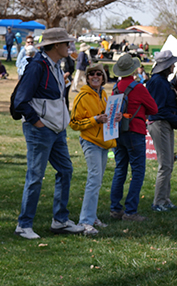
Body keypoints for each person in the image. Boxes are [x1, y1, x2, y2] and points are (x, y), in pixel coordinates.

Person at [13, 28, 85, 239]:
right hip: (42, 130)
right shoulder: (37, 66)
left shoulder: (55, 66)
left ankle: (60, 220)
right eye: (66, 43)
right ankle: (24, 225)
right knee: (35, 176)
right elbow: (20, 101)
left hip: (56, 130)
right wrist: (38, 123)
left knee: (66, 170)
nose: (69, 47)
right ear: (56, 45)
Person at [69, 63, 119, 236]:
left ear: (103, 77)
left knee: (97, 181)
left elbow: (106, 116)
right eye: (92, 74)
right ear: (87, 78)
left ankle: (92, 216)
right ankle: (85, 221)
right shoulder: (82, 96)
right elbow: (74, 123)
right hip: (90, 141)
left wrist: (115, 117)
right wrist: (95, 120)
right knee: (94, 180)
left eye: (99, 74)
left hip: (104, 142)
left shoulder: (103, 94)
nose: (95, 76)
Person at [110, 54, 158, 222]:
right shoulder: (138, 87)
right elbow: (154, 109)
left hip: (118, 132)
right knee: (137, 171)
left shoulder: (116, 87)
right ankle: (130, 211)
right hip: (135, 131)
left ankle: (115, 208)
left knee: (120, 169)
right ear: (133, 69)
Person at [146, 50, 177, 212]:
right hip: (160, 124)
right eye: (172, 64)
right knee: (165, 165)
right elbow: (159, 110)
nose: (174, 66)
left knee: (168, 163)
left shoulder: (162, 81)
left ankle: (164, 199)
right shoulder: (158, 82)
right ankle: (158, 202)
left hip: (164, 123)